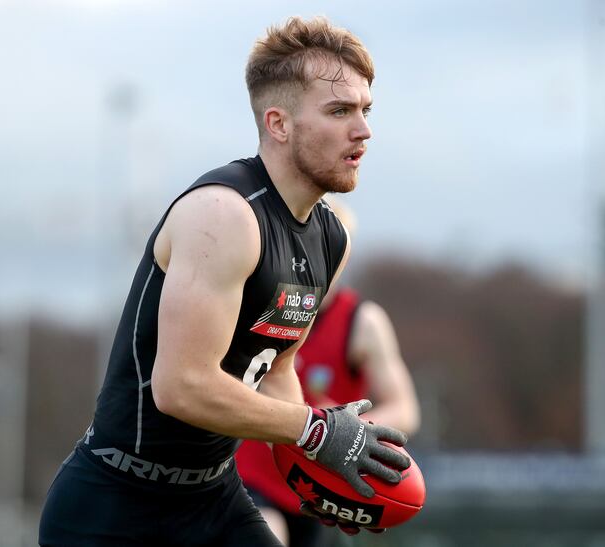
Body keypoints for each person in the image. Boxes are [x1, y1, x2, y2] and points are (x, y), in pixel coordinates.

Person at [39, 16, 411, 547]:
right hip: (115, 507)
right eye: (339, 111)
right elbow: (181, 386)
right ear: (278, 124)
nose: (364, 130)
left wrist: (317, 475)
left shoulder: (331, 236)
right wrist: (315, 430)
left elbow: (278, 365)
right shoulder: (223, 214)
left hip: (213, 499)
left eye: (365, 110)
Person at [236, 201, 421, 546]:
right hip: (253, 478)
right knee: (265, 534)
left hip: (322, 485)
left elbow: (405, 410)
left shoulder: (362, 322)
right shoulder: (255, 305)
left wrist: (341, 434)